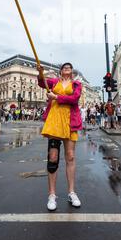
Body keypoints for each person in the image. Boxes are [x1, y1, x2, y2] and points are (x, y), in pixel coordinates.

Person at [37, 62, 83, 211]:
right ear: (61, 71)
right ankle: (52, 195)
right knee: (53, 157)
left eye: (69, 67)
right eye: (64, 67)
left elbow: (74, 99)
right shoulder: (54, 82)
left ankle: (71, 192)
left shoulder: (76, 84)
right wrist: (40, 72)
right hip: (55, 121)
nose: (67, 68)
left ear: (72, 71)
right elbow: (41, 82)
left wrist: (56, 97)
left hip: (70, 121)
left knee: (70, 156)